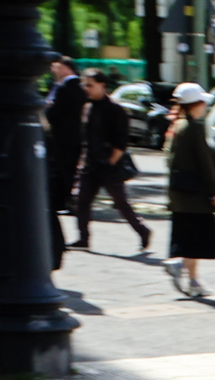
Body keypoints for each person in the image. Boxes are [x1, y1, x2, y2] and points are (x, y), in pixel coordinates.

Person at [73, 70, 150, 252]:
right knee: (81, 201)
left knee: (121, 203)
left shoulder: (115, 109)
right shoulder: (88, 107)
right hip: (90, 164)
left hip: (108, 166)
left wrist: (111, 162)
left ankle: (143, 231)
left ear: (102, 85)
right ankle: (83, 238)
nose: (86, 89)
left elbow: (121, 141)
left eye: (90, 84)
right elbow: (86, 138)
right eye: (85, 84)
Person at [162, 83, 215, 296]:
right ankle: (179, 264)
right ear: (196, 104)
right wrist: (214, 191)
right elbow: (205, 162)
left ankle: (194, 282)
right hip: (195, 195)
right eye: (203, 101)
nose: (206, 105)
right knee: (195, 239)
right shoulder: (195, 127)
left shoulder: (176, 125)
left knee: (187, 237)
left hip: (179, 192)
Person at [43, 54, 85, 218]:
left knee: (63, 169)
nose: (53, 70)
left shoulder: (63, 88)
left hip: (62, 137)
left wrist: (47, 112)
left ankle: (65, 201)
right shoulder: (81, 86)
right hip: (77, 136)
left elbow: (53, 112)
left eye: (57, 66)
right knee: (72, 169)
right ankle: (67, 200)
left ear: (66, 68)